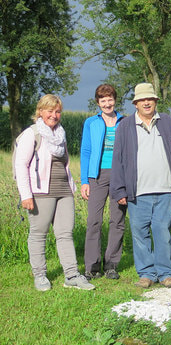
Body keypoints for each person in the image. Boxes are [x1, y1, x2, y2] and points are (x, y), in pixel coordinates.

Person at [110, 82, 171, 288]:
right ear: (136, 103)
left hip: (164, 189)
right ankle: (146, 274)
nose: (147, 102)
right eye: (142, 100)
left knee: (162, 231)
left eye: (150, 99)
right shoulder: (125, 126)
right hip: (138, 191)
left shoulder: (167, 121)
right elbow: (117, 159)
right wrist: (119, 189)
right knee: (140, 233)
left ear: (155, 101)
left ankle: (166, 274)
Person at [14, 94, 95, 291]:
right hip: (40, 192)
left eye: (57, 111)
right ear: (40, 111)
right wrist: (26, 195)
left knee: (65, 233)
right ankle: (40, 275)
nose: (54, 115)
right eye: (50, 110)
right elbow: (20, 165)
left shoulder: (61, 134)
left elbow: (65, 163)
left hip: (64, 191)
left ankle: (72, 275)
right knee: (38, 234)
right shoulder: (31, 134)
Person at [80, 84, 127, 281]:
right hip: (96, 177)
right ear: (98, 102)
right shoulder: (91, 122)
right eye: (103, 100)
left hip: (120, 176)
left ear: (115, 100)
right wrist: (84, 180)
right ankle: (92, 266)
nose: (107, 103)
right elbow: (86, 151)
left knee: (117, 221)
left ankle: (111, 265)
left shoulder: (125, 122)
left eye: (110, 99)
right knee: (94, 221)